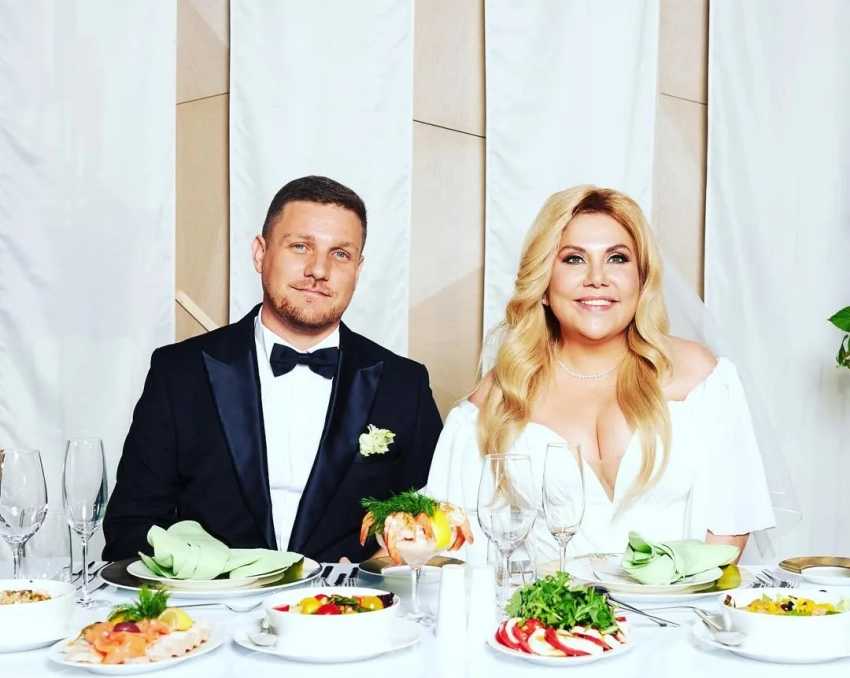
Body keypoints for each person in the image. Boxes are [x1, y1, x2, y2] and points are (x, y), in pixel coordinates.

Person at [426, 185, 777, 566]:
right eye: (574, 259)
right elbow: (455, 539)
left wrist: (675, 593)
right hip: (542, 604)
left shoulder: (698, 375)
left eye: (617, 258)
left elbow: (730, 520)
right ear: (543, 286)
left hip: (679, 601)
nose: (597, 278)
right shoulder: (500, 393)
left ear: (641, 280)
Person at [103, 175, 443, 563]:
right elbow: (131, 527)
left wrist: (379, 565)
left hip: (350, 599)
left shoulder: (405, 385)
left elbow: (437, 519)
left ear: (358, 269)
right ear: (260, 254)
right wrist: (211, 578)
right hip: (214, 600)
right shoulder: (178, 374)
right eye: (300, 246)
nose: (319, 269)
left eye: (340, 254)